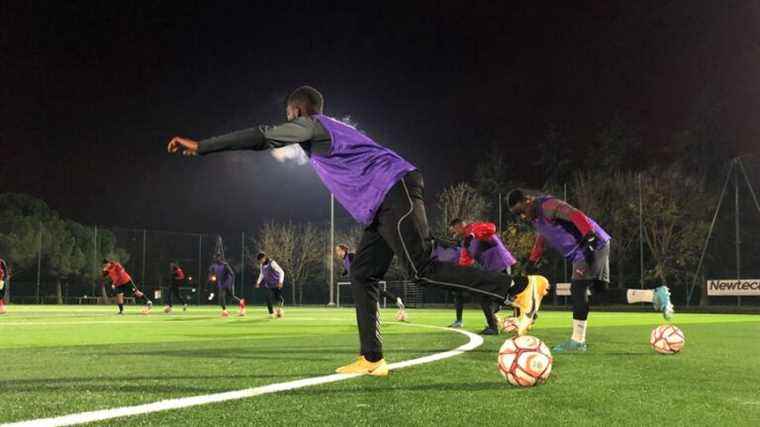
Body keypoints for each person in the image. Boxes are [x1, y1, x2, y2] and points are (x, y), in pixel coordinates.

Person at [167, 85, 541, 376]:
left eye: (289, 118)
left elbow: (264, 136)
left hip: (395, 190)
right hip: (381, 206)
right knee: (362, 273)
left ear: (297, 111)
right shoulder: (328, 133)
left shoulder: (314, 125)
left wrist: (203, 147)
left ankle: (519, 287)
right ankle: (372, 357)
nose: (288, 125)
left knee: (422, 269)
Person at [507, 189, 674, 352]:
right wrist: (532, 261)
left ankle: (578, 341)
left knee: (578, 289)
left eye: (521, 211)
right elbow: (542, 238)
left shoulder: (547, 205)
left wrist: (589, 235)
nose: (522, 216)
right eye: (518, 215)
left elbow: (574, 214)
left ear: (527, 200)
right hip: (586, 249)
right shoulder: (536, 219)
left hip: (590, 247)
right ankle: (655, 295)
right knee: (600, 294)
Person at [448, 218, 543, 335]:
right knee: (496, 297)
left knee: (489, 296)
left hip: (501, 264)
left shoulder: (476, 228)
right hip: (491, 270)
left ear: (459, 226)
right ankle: (520, 313)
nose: (454, 235)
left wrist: (472, 235)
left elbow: (491, 227)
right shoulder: (465, 244)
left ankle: (496, 325)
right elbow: (464, 263)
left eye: (454, 232)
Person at [336, 244, 407, 321]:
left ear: (344, 250)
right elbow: (350, 268)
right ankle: (395, 300)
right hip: (361, 280)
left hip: (365, 277)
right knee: (374, 293)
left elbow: (360, 263)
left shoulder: (350, 256)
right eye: (337, 251)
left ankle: (392, 302)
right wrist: (345, 272)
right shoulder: (346, 259)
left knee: (375, 292)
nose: (338, 253)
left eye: (339, 250)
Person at [255, 252, 286, 319]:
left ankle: (279, 311)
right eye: (259, 261)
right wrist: (258, 282)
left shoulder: (272, 263)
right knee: (267, 297)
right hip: (269, 285)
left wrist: (280, 282)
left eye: (261, 260)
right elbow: (262, 274)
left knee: (278, 299)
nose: (260, 262)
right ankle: (271, 313)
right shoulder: (261, 265)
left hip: (276, 284)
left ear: (264, 258)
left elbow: (281, 272)